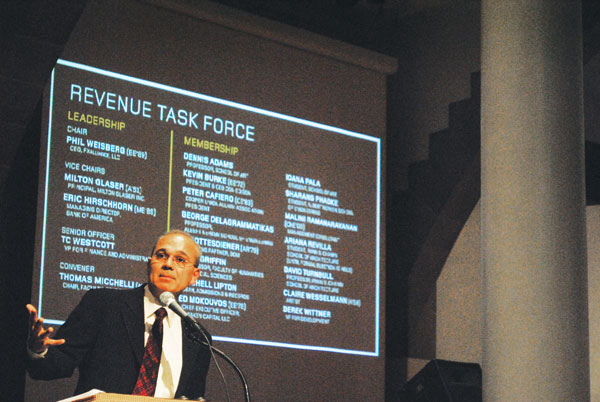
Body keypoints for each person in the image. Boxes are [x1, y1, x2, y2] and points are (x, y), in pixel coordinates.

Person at [26, 229, 211, 399]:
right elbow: (57, 364)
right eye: (161, 256)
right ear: (149, 265)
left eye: (180, 260)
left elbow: (193, 397)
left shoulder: (197, 336)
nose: (168, 264)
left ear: (194, 275)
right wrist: (38, 350)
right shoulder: (103, 304)